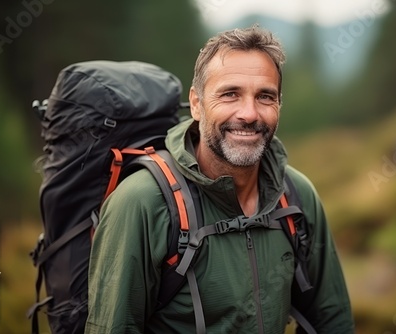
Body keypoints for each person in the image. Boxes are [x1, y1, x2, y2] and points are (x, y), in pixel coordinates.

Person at [85, 25, 354, 333]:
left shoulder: (296, 196)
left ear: (279, 104)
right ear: (197, 104)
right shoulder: (143, 202)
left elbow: (332, 320)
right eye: (230, 94)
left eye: (265, 96)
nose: (249, 113)